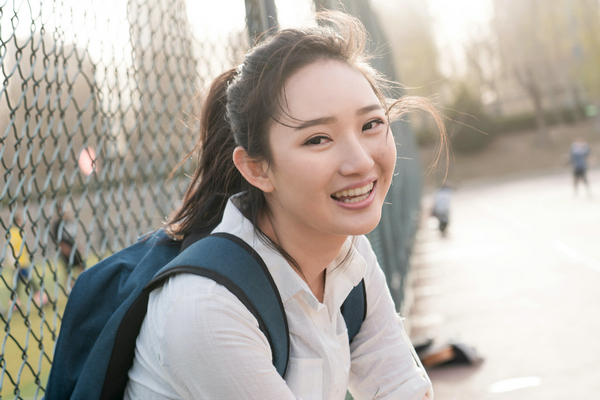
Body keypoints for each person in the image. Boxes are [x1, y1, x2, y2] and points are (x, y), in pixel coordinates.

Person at [124, 12, 443, 400]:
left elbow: (399, 389)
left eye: (371, 124)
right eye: (317, 139)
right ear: (257, 169)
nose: (360, 162)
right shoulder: (207, 309)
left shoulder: (346, 250)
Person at [51, 201, 85, 287]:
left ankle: (80, 283)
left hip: (73, 247)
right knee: (68, 269)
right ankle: (70, 286)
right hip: (65, 250)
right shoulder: (57, 224)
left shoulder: (69, 222)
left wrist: (79, 246)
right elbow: (56, 240)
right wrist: (64, 248)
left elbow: (74, 236)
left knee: (81, 264)